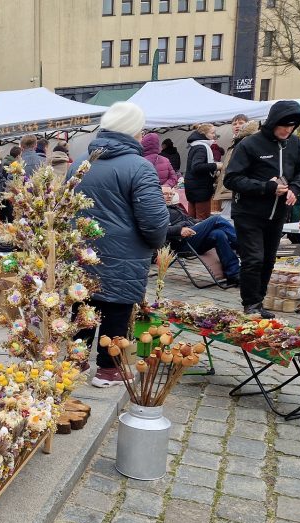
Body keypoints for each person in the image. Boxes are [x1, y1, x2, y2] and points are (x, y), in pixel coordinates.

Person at [69, 102, 169, 387]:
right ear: (134, 131)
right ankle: (108, 370)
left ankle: (75, 364)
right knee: (116, 310)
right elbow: (154, 222)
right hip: (123, 256)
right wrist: (155, 242)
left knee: (83, 307)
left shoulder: (79, 163)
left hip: (82, 254)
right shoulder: (139, 167)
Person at [224, 100, 300, 317]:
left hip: (278, 213)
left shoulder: (296, 144)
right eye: (283, 125)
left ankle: (259, 301)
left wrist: (295, 187)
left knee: (269, 259)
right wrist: (266, 187)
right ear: (273, 122)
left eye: (292, 126)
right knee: (254, 258)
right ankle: (251, 304)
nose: (287, 130)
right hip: (249, 212)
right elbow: (232, 179)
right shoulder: (249, 145)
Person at [162, 185, 240, 284]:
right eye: (165, 194)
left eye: (171, 194)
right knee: (216, 219)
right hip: (180, 242)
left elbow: (190, 220)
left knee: (218, 234)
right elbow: (158, 230)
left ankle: (234, 273)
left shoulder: (175, 208)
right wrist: (179, 229)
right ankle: (242, 245)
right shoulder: (156, 211)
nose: (169, 196)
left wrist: (200, 223)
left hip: (192, 237)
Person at [214, 120, 259, 217]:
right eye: (234, 124)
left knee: (230, 223)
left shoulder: (247, 143)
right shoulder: (236, 142)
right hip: (229, 189)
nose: (237, 126)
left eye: (241, 123)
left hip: (236, 191)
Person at [185, 123, 221, 219]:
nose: (214, 135)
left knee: (192, 218)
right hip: (200, 189)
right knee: (203, 220)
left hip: (193, 187)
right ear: (204, 134)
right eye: (212, 133)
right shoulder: (201, 147)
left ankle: (193, 233)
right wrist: (216, 165)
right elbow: (197, 166)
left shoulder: (195, 146)